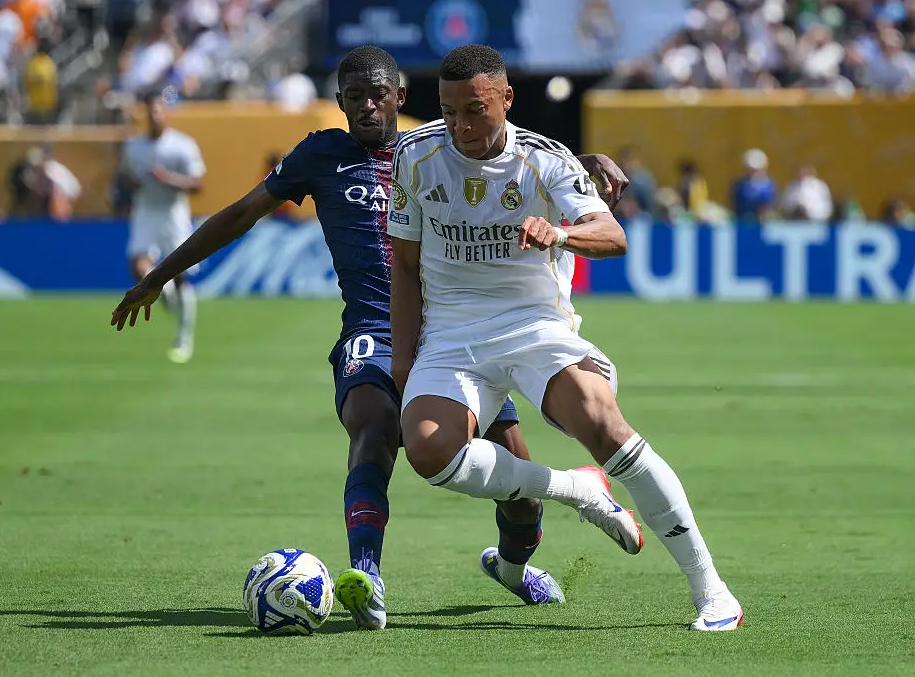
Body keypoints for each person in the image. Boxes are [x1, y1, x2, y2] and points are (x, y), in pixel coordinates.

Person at [110, 46, 639, 631]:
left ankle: (513, 568)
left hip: (460, 332)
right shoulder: (320, 155)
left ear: (398, 98)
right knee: (373, 423)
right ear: (338, 103)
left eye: (377, 95)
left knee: (520, 496)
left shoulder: (435, 147)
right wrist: (159, 275)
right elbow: (239, 213)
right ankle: (367, 576)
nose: (366, 106)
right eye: (353, 97)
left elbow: (516, 150)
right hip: (373, 326)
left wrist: (583, 158)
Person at [388, 44, 742, 632]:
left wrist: (559, 232)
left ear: (506, 99)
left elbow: (611, 233)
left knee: (602, 422)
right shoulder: (417, 154)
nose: (460, 126)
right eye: (449, 111)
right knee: (427, 451)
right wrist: (405, 360)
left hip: (533, 324)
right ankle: (573, 487)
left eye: (475, 110)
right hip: (451, 332)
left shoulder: (545, 161)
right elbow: (404, 264)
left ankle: (711, 589)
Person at [118, 91, 206, 363]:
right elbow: (124, 177)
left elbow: (198, 183)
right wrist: (130, 184)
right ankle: (163, 294)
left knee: (180, 276)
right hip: (146, 210)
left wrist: (168, 179)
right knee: (138, 266)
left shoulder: (182, 145)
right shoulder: (133, 146)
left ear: (166, 113)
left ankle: (184, 336)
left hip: (173, 213)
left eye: (158, 110)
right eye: (150, 111)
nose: (154, 116)